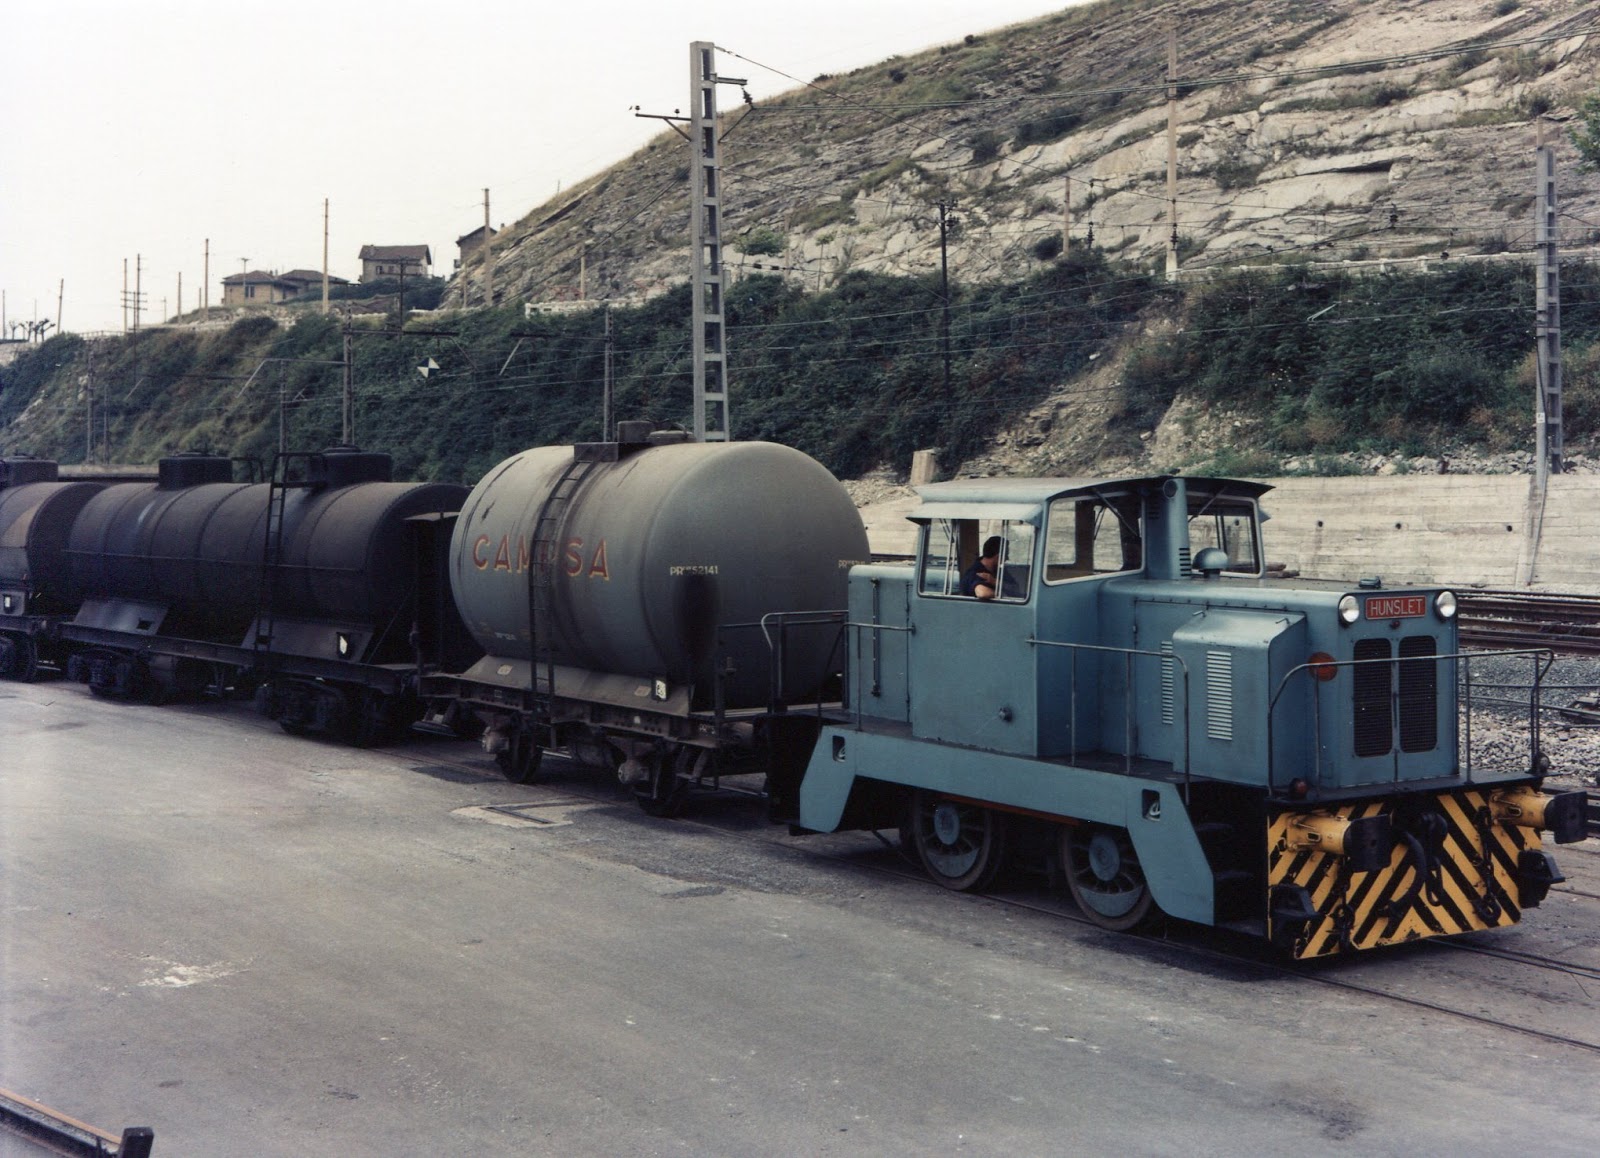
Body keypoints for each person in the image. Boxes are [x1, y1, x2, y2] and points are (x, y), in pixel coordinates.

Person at [959, 535, 1003, 600]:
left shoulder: (998, 571)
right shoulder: (975, 572)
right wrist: (1004, 594)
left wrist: (995, 582)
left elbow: (1016, 588)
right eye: (1006, 555)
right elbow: (982, 593)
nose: (1007, 558)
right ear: (998, 556)